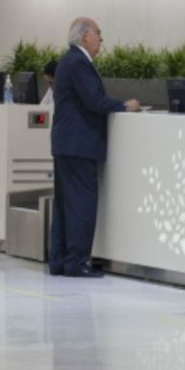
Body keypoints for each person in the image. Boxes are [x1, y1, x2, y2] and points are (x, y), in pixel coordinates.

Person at [49, 17, 140, 277]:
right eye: (98, 33)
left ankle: (60, 261)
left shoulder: (69, 60)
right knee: (81, 205)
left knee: (65, 206)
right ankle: (77, 262)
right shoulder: (79, 62)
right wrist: (124, 106)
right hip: (79, 144)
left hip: (67, 143)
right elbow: (94, 101)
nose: (101, 39)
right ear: (85, 36)